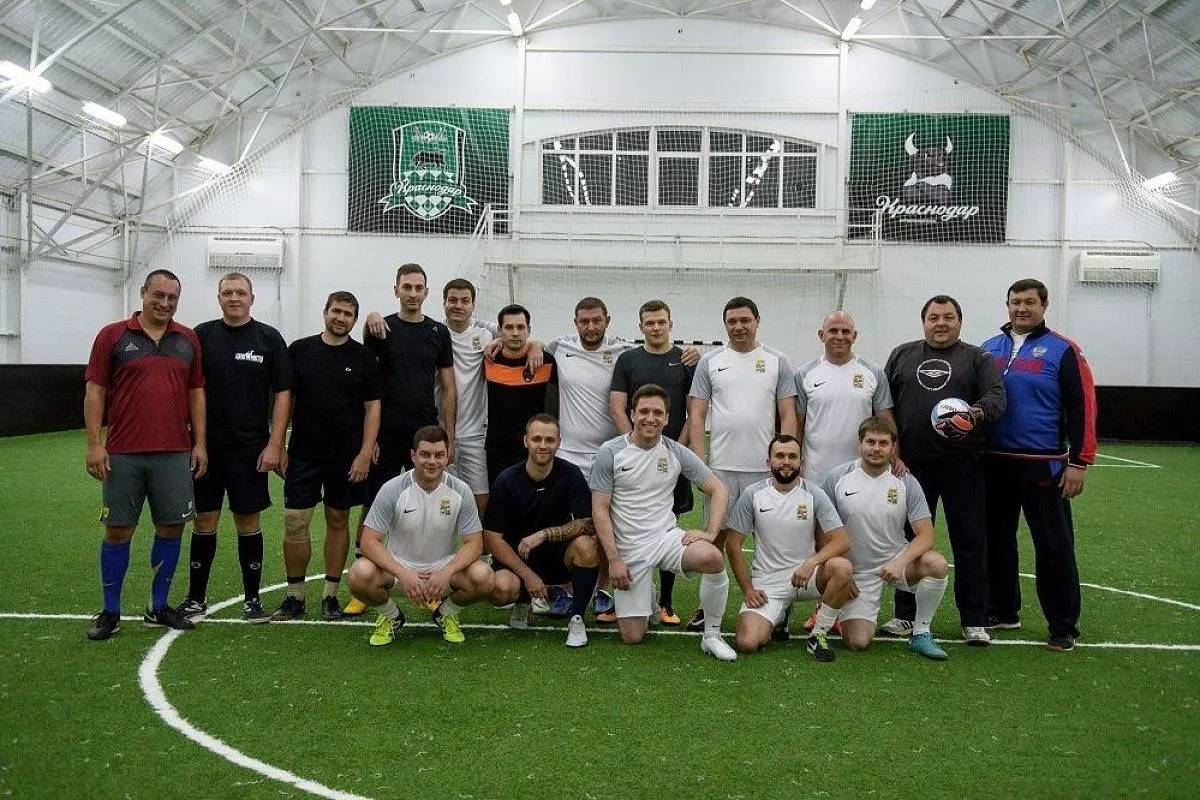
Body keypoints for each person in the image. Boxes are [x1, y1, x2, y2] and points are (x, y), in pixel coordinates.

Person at [84, 269, 207, 641]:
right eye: (159, 295)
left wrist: (200, 443)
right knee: (118, 531)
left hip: (174, 453)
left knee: (171, 528)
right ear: (143, 293)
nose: (165, 303)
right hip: (123, 454)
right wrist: (94, 444)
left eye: (172, 298)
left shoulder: (187, 339)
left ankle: (158, 606)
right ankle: (111, 611)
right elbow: (95, 391)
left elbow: (196, 393)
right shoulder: (112, 336)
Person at [980, 278, 1097, 652]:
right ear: (1007, 305)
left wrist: (1079, 462)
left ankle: (1062, 625)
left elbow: (1083, 407)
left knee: (1053, 546)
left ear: (1044, 306)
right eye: (1015, 302)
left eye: (1029, 302)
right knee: (995, 541)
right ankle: (1002, 610)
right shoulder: (988, 349)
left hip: (1044, 465)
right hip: (995, 464)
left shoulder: (1064, 350)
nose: (1021, 308)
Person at [882, 295, 1005, 646]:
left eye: (948, 317)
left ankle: (974, 619)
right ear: (923, 322)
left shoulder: (978, 358)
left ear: (959, 322)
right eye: (934, 317)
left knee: (970, 541)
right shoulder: (902, 355)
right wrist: (893, 452)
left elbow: (996, 398)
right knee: (909, 539)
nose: (941, 323)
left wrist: (974, 414)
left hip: (964, 466)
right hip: (911, 468)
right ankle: (905, 615)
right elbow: (884, 405)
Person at [175, 272, 291, 624]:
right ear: (219, 298)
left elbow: (283, 393)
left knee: (248, 520)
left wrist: (276, 443)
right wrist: (196, 442)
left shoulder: (269, 338)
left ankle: (252, 601)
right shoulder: (201, 336)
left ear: (252, 298)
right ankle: (195, 599)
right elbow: (189, 389)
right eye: (227, 292)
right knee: (204, 519)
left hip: (251, 449)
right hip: (207, 448)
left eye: (241, 292)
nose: (234, 298)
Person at [591, 384, 737, 661]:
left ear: (667, 418)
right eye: (644, 411)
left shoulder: (675, 451)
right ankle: (647, 595)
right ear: (632, 414)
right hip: (628, 549)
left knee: (712, 558)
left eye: (658, 413)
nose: (650, 418)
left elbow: (718, 489)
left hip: (665, 538)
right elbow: (600, 509)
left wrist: (710, 533)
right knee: (633, 637)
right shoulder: (610, 452)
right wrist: (614, 560)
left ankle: (712, 636)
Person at [685, 296, 798, 632]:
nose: (738, 326)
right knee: (715, 540)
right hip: (721, 471)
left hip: (765, 471)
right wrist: (700, 461)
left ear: (757, 321)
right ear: (725, 325)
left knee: (772, 541)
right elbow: (697, 413)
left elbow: (788, 413)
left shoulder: (777, 360)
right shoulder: (711, 362)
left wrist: (787, 459)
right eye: (732, 321)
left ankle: (779, 607)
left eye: (745, 320)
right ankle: (708, 608)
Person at [273, 292, 381, 622]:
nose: (341, 318)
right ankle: (295, 596)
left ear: (354, 320)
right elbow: (285, 398)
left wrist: (364, 453)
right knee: (295, 521)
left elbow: (373, 407)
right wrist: (278, 444)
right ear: (325, 312)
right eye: (337, 311)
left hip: (345, 457)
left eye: (348, 314)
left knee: (338, 520)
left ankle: (330, 595)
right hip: (303, 454)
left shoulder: (364, 357)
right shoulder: (300, 350)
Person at [793, 310, 895, 633]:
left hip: (858, 475)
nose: (839, 336)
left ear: (855, 335)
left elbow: (886, 421)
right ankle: (816, 608)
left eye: (845, 331)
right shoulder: (805, 373)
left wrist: (895, 459)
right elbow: (798, 423)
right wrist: (795, 462)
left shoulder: (872, 373)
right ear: (821, 335)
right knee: (817, 542)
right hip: (816, 474)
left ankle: (838, 608)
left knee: (852, 540)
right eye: (833, 330)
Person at [347, 425, 494, 646]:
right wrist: (403, 573)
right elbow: (369, 542)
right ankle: (391, 616)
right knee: (359, 574)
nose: (432, 461)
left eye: (439, 455)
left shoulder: (461, 490)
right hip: (399, 570)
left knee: (484, 577)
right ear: (413, 456)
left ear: (447, 456)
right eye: (425, 454)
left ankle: (445, 614)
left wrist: (446, 572)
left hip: (441, 570)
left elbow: (474, 543)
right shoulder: (392, 488)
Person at [823, 417, 951, 660]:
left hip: (894, 561)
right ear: (859, 444)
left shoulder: (905, 481)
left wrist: (900, 562)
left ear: (893, 447)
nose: (876, 448)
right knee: (858, 642)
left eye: (883, 443)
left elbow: (926, 536)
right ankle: (841, 612)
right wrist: (842, 576)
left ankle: (921, 633)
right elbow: (822, 531)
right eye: (870, 442)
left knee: (936, 564)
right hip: (856, 572)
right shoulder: (837, 477)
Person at [725, 435, 855, 662]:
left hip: (807, 577)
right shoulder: (753, 494)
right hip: (769, 582)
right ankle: (781, 614)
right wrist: (748, 589)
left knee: (842, 568)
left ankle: (818, 635)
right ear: (769, 462)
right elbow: (733, 545)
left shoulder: (814, 493)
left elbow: (842, 540)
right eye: (780, 456)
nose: (786, 461)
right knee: (747, 643)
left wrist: (810, 563)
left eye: (792, 456)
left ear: (801, 462)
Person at [609, 299, 696, 625]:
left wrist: (676, 452)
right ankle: (627, 596)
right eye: (650, 322)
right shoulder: (628, 360)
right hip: (634, 459)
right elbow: (617, 407)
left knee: (669, 525)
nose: (656, 327)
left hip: (670, 460)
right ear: (641, 326)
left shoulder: (686, 361)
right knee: (627, 524)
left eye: (661, 322)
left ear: (670, 324)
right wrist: (634, 447)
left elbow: (694, 411)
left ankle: (666, 602)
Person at [484, 414, 600, 647]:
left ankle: (577, 618)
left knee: (588, 545)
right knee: (500, 589)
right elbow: (492, 537)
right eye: (537, 439)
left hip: (557, 556)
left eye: (550, 440)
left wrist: (544, 535)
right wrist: (528, 576)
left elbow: (587, 523)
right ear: (525, 441)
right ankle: (523, 601)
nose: (543, 445)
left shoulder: (571, 474)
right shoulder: (507, 480)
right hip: (519, 557)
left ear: (559, 443)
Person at [484, 304, 557, 486]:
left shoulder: (545, 361)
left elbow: (554, 411)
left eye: (520, 327)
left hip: (534, 449)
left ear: (529, 330)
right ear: (499, 331)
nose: (515, 333)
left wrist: (536, 345)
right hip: (498, 449)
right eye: (509, 327)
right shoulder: (489, 359)